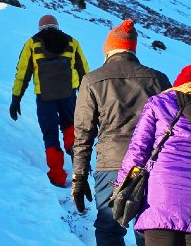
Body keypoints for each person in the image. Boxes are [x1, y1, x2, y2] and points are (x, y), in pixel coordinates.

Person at [72, 19, 171, 246]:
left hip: (111, 167)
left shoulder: (92, 80)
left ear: (108, 49)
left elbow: (83, 134)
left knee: (109, 230)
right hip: (152, 167)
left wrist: (79, 178)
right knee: (149, 230)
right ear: (133, 49)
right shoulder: (158, 79)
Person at [114, 65, 191, 246]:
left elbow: (138, 152)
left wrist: (122, 187)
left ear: (177, 85)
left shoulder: (158, 104)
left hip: (159, 200)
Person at [9, 15, 89, 187]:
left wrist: (16, 99)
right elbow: (84, 71)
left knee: (50, 135)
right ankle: (75, 148)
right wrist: (88, 97)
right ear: (57, 26)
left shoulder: (32, 44)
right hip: (68, 94)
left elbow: (22, 73)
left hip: (45, 98)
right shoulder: (72, 42)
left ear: (40, 28)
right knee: (70, 125)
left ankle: (57, 176)